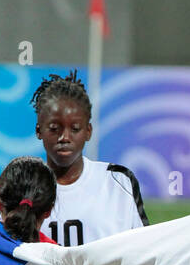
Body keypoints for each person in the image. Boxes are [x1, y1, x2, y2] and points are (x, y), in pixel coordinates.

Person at [31, 70, 146, 246]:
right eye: (54, 128)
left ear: (88, 132)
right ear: (39, 131)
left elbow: (144, 249)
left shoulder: (118, 181)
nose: (64, 137)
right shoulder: (21, 186)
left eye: (75, 129)